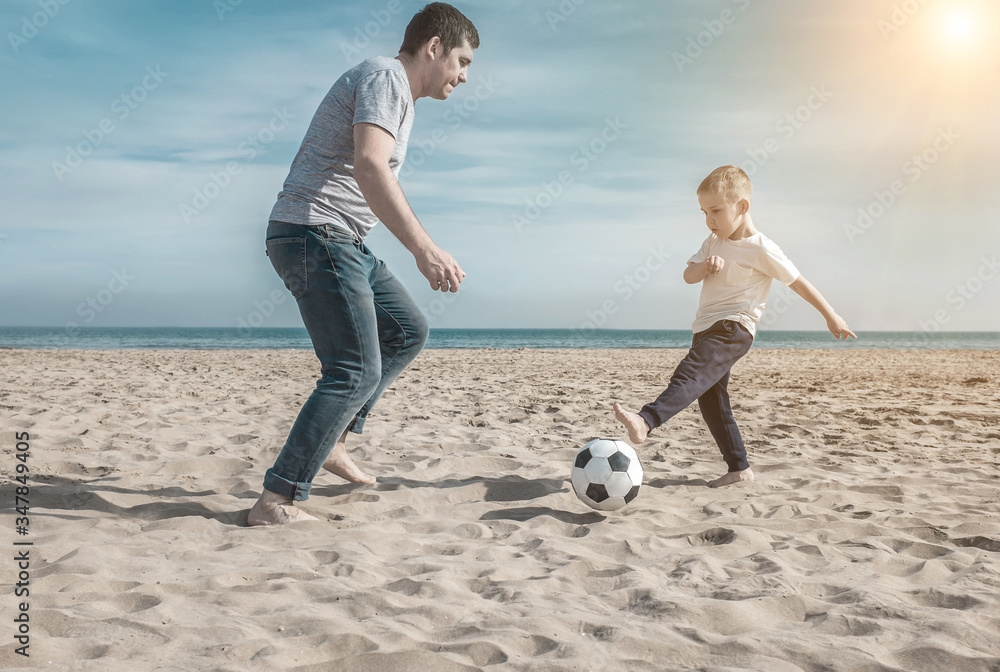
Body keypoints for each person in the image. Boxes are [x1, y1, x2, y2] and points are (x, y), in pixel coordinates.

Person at [248, 3, 480, 526]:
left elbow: (373, 175)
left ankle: (332, 440)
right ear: (434, 47)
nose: (464, 77)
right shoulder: (386, 76)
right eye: (462, 62)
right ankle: (275, 501)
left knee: (406, 329)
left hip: (340, 238)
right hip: (314, 232)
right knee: (353, 369)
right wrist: (425, 248)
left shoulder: (399, 94)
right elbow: (371, 165)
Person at [614, 165, 856, 487]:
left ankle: (646, 420)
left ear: (742, 207)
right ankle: (739, 469)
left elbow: (798, 282)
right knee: (712, 400)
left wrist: (831, 315)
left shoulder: (762, 248)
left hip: (734, 327)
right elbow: (688, 276)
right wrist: (704, 266)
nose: (709, 220)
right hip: (705, 327)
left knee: (689, 373)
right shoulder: (713, 242)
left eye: (716, 211)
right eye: (704, 212)